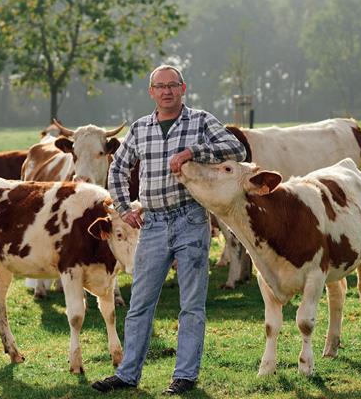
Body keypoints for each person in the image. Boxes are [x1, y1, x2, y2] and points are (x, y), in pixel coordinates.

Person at [92, 64, 246, 395]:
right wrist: (122, 209)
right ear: (151, 92)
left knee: (191, 303)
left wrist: (194, 152)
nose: (166, 91)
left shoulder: (201, 121)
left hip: (190, 218)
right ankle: (127, 374)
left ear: (183, 88)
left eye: (172, 85)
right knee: (140, 303)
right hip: (153, 224)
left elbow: (238, 150)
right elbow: (118, 168)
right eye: (160, 86)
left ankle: (184, 375)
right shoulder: (140, 128)